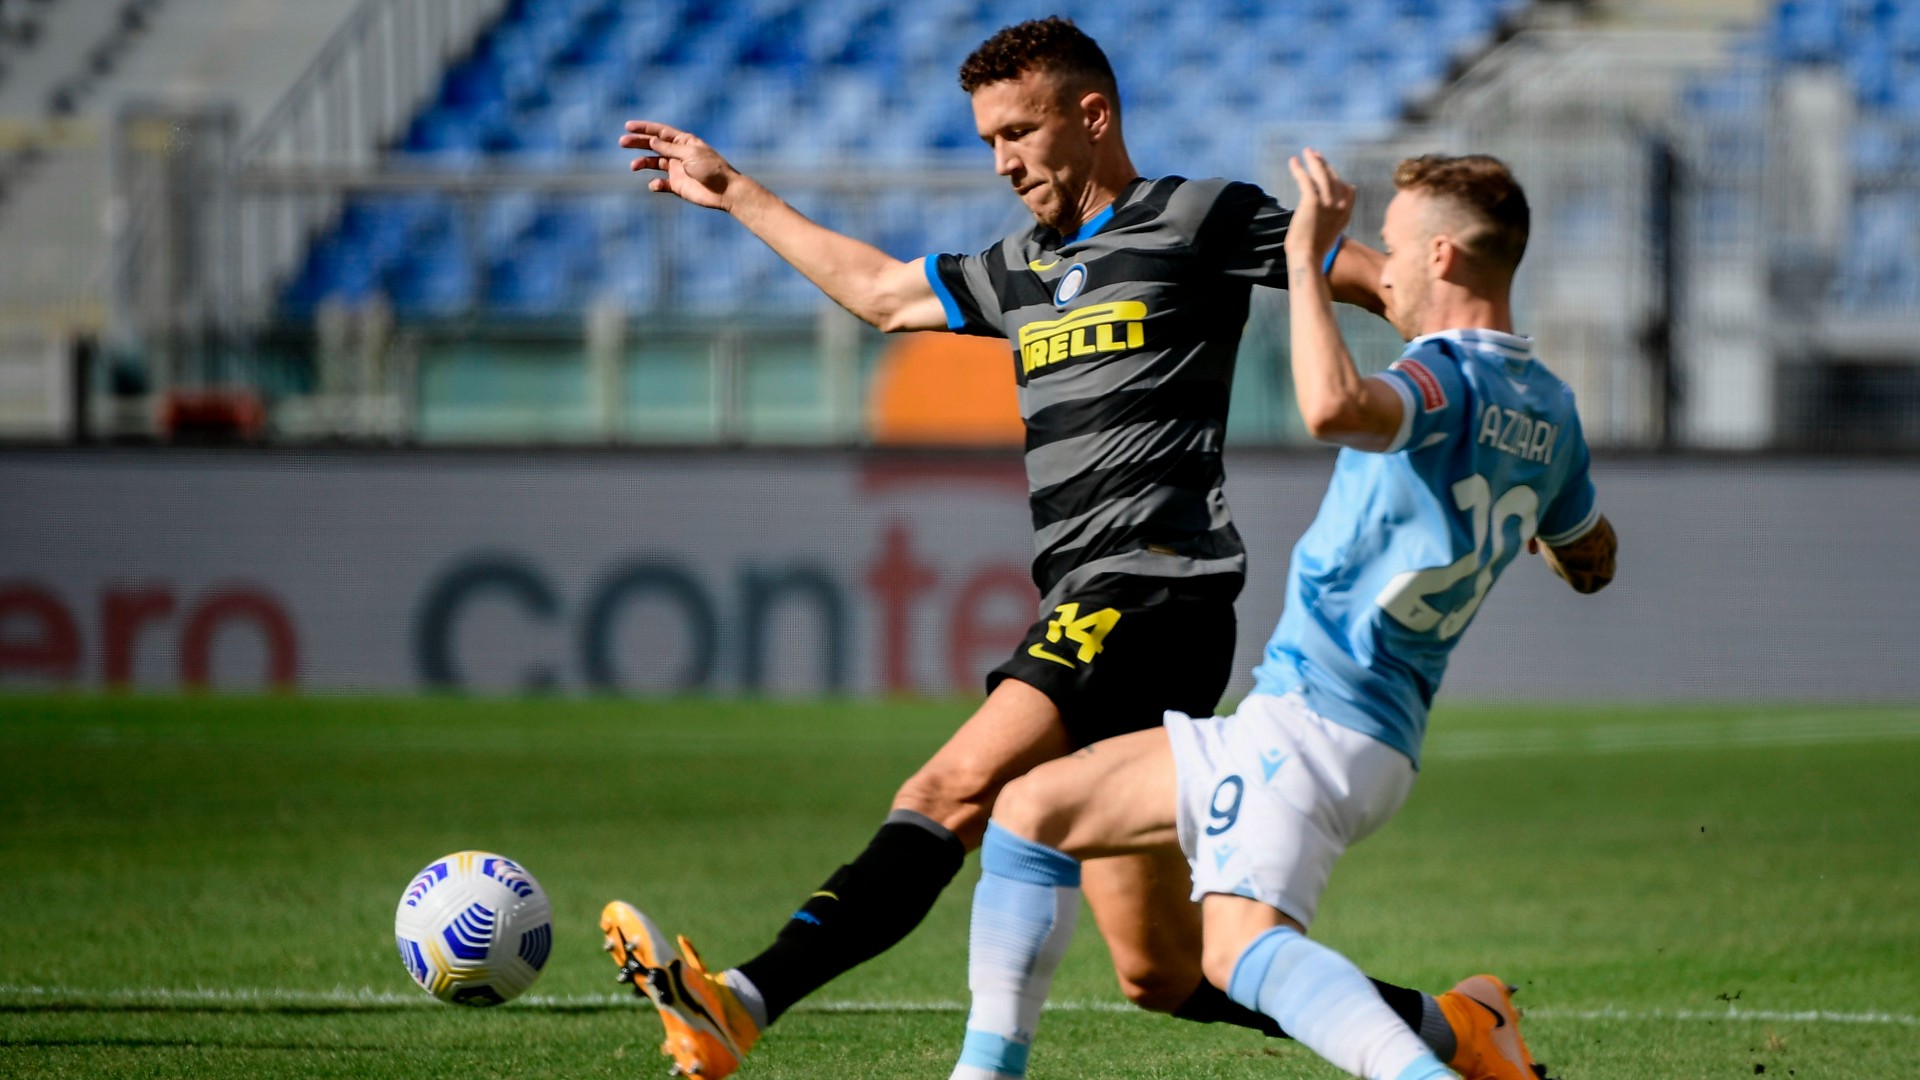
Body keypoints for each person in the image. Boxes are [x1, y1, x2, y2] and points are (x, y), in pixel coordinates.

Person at [601, 18, 1504, 1079]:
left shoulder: (1197, 216)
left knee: (949, 792)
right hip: (1097, 603)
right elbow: (884, 294)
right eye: (989, 140)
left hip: (1151, 593)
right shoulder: (1020, 268)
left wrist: (1487, 423)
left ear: (1093, 116)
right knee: (1162, 972)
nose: (1003, 162)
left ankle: (742, 1003)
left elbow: (1391, 287)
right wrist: (738, 193)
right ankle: (1459, 1030)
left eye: (1019, 132)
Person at [945, 149, 1618, 1080]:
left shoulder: (1443, 375)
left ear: (1443, 257)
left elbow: (1334, 407)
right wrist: (1527, 507)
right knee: (1032, 810)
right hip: (1347, 727)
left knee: (1239, 954)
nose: (1383, 268)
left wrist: (1304, 258)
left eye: (1395, 247)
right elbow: (1592, 560)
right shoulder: (1551, 409)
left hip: (1319, 722)